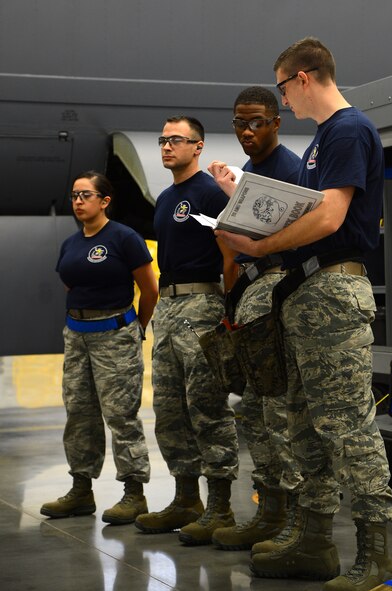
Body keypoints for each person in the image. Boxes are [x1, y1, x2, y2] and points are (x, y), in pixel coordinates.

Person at [214, 37, 392, 591]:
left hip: (333, 292)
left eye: (282, 88)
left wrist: (259, 247)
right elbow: (308, 212)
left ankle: (377, 554)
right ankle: (314, 541)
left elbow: (329, 218)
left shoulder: (346, 130)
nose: (284, 100)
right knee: (304, 424)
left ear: (302, 78)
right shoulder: (322, 141)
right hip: (305, 293)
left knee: (347, 425)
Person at [135, 116, 240, 546]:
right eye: (162, 139)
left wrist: (227, 313)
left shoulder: (212, 193)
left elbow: (230, 256)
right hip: (170, 306)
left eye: (175, 140)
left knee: (207, 406)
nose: (165, 146)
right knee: (171, 407)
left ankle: (220, 506)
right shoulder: (164, 199)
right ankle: (185, 499)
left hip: (203, 304)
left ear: (197, 146)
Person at [207, 86, 303, 551]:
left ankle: (297, 524)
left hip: (278, 294)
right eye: (239, 123)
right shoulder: (249, 172)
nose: (247, 131)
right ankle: (269, 511)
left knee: (281, 413)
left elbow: (297, 239)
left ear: (277, 122)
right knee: (253, 411)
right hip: (251, 296)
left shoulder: (291, 170)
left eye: (256, 123)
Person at [41, 170, 158, 525]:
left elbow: (149, 289)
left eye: (85, 195)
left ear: (104, 201)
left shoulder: (124, 238)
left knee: (121, 415)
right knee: (79, 413)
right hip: (76, 336)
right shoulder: (71, 244)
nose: (78, 201)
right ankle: (81, 490)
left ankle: (134, 493)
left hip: (114, 334)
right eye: (74, 195)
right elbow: (70, 285)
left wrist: (135, 327)